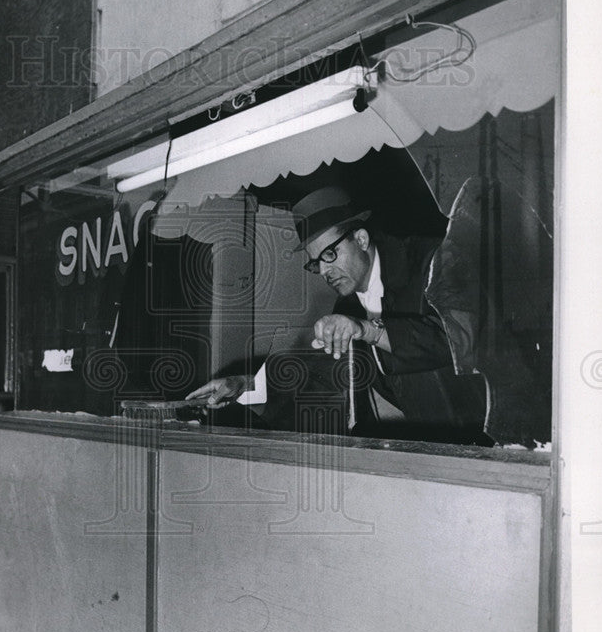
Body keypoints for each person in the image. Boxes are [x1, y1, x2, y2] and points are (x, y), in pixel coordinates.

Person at [187, 186, 488, 443]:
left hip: (481, 437)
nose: (324, 271)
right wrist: (243, 385)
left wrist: (367, 329)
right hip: (428, 447)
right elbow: (324, 374)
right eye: (316, 263)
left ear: (361, 240)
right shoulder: (347, 307)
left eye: (329, 255)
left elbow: (457, 340)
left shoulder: (434, 261)